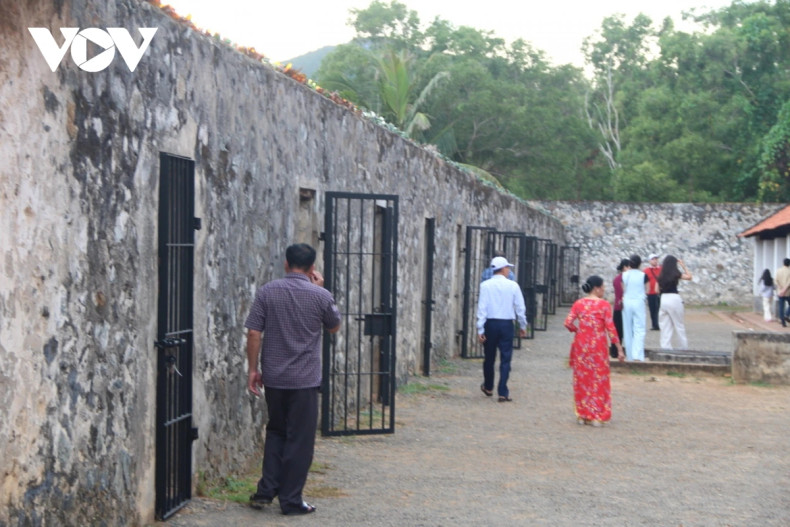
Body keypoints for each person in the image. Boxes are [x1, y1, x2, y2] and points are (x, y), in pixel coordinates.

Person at [245, 243, 342, 515]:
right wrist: (322, 289)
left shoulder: (267, 292)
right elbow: (334, 326)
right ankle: (290, 500)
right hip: (304, 380)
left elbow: (254, 333)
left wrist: (253, 369)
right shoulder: (320, 296)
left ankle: (265, 491)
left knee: (276, 431)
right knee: (300, 439)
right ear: (312, 268)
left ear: (286, 264)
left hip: (274, 377)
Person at [564, 275, 624, 427]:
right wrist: (618, 348)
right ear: (597, 289)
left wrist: (577, 331)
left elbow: (568, 322)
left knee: (582, 378)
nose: (604, 290)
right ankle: (596, 414)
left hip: (581, 344)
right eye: (603, 287)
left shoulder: (579, 304)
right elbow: (611, 328)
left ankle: (582, 414)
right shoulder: (604, 305)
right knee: (598, 379)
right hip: (597, 345)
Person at [477, 256, 528, 402]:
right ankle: (502, 391)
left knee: (489, 357)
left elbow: (482, 308)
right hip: (506, 324)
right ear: (503, 269)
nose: (508, 270)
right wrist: (522, 325)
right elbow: (520, 307)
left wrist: (480, 328)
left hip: (490, 324)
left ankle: (488, 386)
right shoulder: (513, 286)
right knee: (506, 358)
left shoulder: (485, 286)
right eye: (508, 268)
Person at [657, 255, 692, 350]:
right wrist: (683, 266)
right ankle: (683, 346)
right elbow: (689, 277)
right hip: (674, 298)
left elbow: (657, 290)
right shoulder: (675, 273)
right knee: (679, 324)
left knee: (665, 325)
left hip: (664, 298)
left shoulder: (660, 276)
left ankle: (665, 347)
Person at [621, 254, 648, 361]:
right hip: (639, 301)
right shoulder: (643, 275)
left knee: (627, 328)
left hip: (627, 301)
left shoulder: (625, 275)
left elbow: (624, 289)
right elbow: (647, 289)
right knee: (639, 328)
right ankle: (638, 354)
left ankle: (630, 355)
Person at [610, 258, 630, 358]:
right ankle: (617, 350)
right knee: (619, 330)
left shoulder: (617, 279)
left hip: (618, 306)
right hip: (622, 307)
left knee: (618, 330)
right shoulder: (622, 279)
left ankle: (615, 350)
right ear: (625, 267)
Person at [644, 253, 662, 331]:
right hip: (650, 293)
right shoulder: (646, 271)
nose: (655, 261)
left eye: (656, 259)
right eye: (653, 259)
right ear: (649, 261)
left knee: (660, 309)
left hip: (660, 292)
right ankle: (655, 324)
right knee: (652, 309)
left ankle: (660, 324)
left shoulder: (661, 269)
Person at [775, 258, 790, 327]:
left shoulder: (778, 271)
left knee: (781, 306)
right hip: (788, 292)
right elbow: (789, 283)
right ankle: (786, 314)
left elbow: (776, 280)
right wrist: (784, 290)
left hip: (780, 292)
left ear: (783, 263)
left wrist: (780, 288)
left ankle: (783, 322)